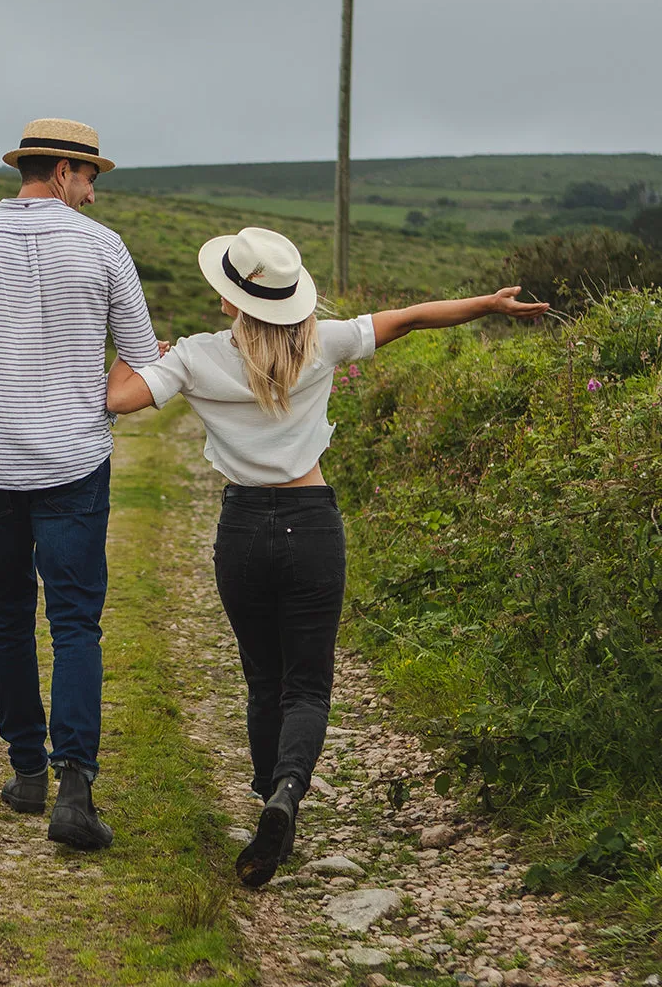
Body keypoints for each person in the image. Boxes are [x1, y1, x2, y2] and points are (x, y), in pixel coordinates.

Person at [106, 226, 548, 885]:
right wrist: (489, 304)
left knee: (263, 678)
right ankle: (287, 793)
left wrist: (140, 353)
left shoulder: (196, 356)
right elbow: (416, 318)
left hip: (244, 529)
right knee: (308, 683)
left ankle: (265, 800)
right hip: (313, 525)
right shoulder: (325, 341)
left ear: (230, 299)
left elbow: (119, 401)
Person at [0, 118, 162, 850]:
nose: (91, 195)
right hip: (75, 460)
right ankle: (75, 792)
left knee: (13, 615)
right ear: (59, 172)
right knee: (76, 621)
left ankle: (26, 775)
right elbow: (141, 359)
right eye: (88, 180)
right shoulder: (105, 248)